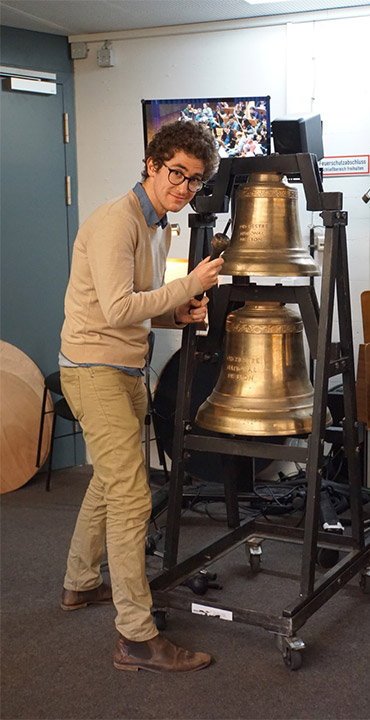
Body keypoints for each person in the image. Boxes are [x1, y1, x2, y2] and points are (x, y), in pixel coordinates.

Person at [58, 121, 223, 674]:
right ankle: (135, 637)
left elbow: (136, 304)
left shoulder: (159, 226)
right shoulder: (116, 221)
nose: (183, 187)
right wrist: (189, 285)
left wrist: (174, 312)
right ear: (152, 164)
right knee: (131, 497)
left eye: (194, 180)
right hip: (94, 368)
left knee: (110, 482)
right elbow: (113, 311)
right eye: (175, 172)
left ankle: (80, 584)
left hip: (125, 365)